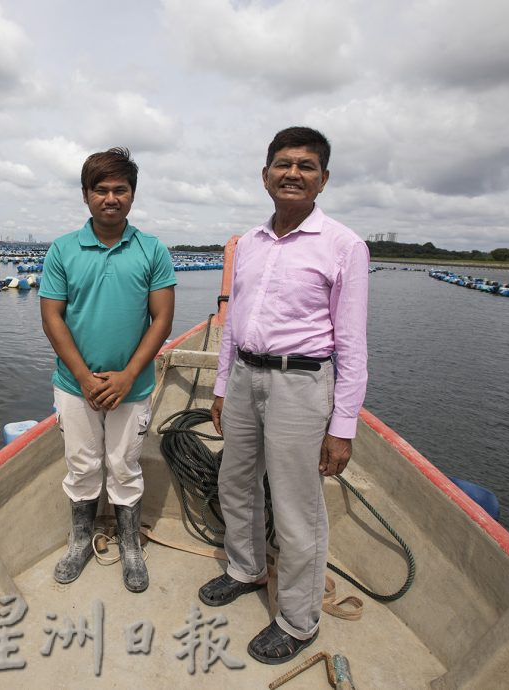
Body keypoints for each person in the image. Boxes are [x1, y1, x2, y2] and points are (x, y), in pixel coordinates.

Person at [198, 127, 369, 664]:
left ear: (323, 179)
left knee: (298, 507)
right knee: (236, 481)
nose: (293, 172)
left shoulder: (345, 246)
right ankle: (245, 568)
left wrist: (344, 425)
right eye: (283, 163)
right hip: (246, 377)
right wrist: (223, 387)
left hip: (302, 384)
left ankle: (298, 620)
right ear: (265, 173)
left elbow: (353, 344)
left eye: (307, 165)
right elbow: (231, 328)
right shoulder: (247, 244)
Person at [39, 147, 176, 593]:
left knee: (123, 464)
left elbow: (161, 319)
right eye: (101, 189)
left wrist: (126, 376)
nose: (111, 198)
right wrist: (83, 377)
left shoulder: (152, 250)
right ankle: (80, 539)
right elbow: (53, 317)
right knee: (81, 464)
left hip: (131, 386)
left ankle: (130, 544)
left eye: (120, 189)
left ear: (132, 196)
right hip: (75, 386)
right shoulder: (62, 250)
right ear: (86, 195)